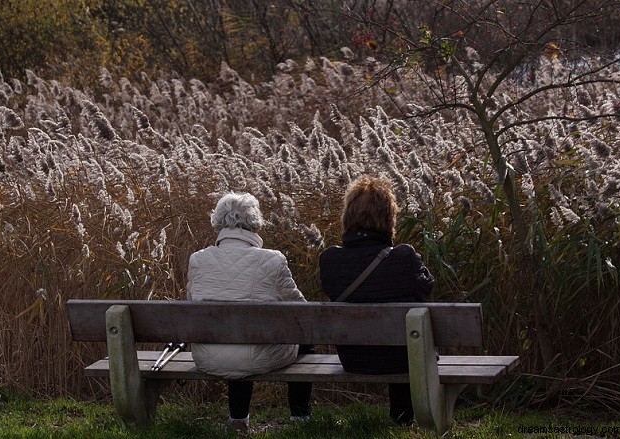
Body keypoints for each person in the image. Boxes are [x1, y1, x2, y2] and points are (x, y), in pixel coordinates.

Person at [186, 192, 313, 434]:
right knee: (303, 337)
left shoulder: (198, 260)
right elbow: (301, 310)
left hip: (207, 356)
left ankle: (238, 421)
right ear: (254, 222)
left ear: (219, 222)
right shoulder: (272, 260)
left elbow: (189, 302)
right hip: (258, 355)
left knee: (235, 337)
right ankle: (300, 419)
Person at [319, 174, 434, 426]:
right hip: (402, 360)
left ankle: (402, 416)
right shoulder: (404, 257)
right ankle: (403, 417)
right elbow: (426, 290)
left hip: (352, 358)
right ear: (389, 217)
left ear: (347, 216)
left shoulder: (329, 259)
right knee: (405, 332)